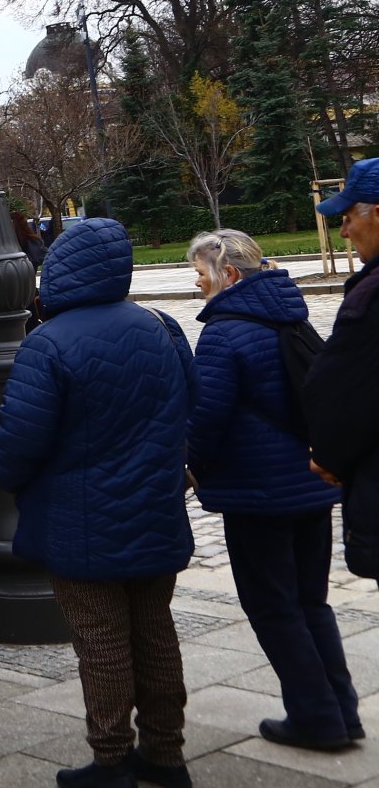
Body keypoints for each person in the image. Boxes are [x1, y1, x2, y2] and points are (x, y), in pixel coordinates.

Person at [0, 218, 196, 788]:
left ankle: (111, 760)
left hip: (81, 522)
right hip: (155, 509)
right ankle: (165, 753)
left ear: (57, 271)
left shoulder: (48, 343)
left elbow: (16, 447)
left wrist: (9, 479)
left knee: (101, 643)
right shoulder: (161, 325)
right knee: (155, 632)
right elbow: (193, 405)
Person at [186, 229, 360, 751]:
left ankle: (316, 719)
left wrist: (188, 468)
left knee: (273, 606)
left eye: (199, 272)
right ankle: (342, 712)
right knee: (312, 603)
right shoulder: (292, 315)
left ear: (228, 275)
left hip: (257, 494)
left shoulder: (223, 332)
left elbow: (206, 420)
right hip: (309, 481)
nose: (195, 283)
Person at [306, 161, 379, 586]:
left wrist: (330, 457)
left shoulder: (370, 298)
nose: (345, 232)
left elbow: (347, 392)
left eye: (350, 218)